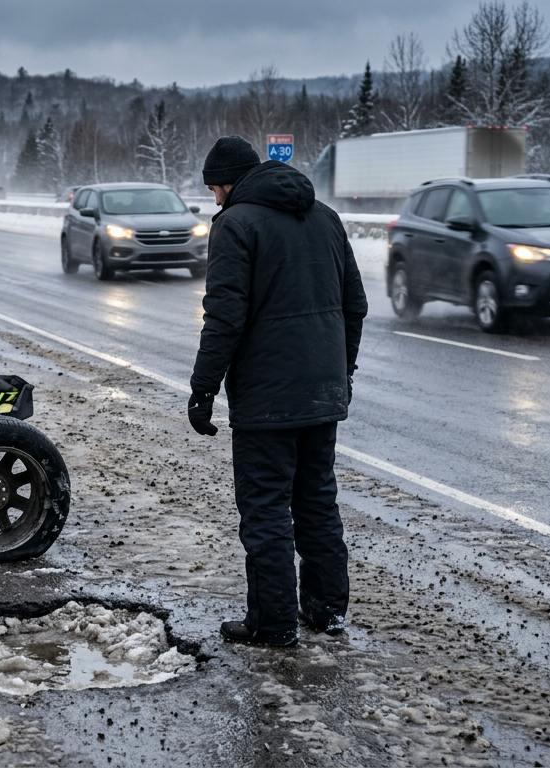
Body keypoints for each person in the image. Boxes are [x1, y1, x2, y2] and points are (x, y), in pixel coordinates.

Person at [188, 136, 368, 647]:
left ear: (226, 183)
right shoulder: (326, 217)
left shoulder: (236, 225)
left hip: (267, 397)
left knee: (266, 508)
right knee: (316, 501)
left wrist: (203, 389)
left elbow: (224, 318)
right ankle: (327, 610)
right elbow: (355, 305)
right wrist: (343, 371)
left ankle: (272, 624)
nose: (215, 200)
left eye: (214, 190)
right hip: (323, 390)